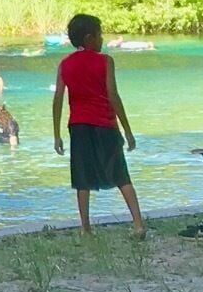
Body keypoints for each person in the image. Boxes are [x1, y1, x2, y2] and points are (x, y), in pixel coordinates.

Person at [51, 13, 143, 235]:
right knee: (121, 174)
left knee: (82, 178)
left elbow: (58, 100)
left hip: (78, 125)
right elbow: (113, 95)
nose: (102, 39)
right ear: (90, 37)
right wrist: (127, 130)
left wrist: (56, 134)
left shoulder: (65, 64)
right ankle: (138, 224)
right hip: (105, 124)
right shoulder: (105, 61)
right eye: (100, 35)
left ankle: (85, 227)